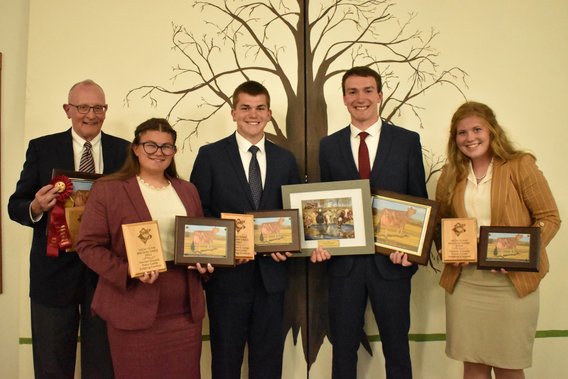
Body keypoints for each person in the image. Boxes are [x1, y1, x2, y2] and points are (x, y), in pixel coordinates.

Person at [311, 66, 428, 379]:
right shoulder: (329, 146)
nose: (359, 98)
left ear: (379, 95)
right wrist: (318, 243)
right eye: (352, 92)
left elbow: (418, 199)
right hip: (343, 267)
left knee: (397, 350)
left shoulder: (406, 141)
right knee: (343, 350)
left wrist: (411, 255)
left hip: (391, 264)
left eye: (366, 90)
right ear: (344, 98)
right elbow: (325, 205)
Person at [8, 79, 129, 378]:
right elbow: (16, 205)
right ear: (68, 110)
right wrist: (36, 207)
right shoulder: (42, 148)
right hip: (53, 274)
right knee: (52, 365)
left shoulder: (124, 151)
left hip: (104, 275)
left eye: (98, 107)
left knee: (103, 366)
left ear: (106, 110)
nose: (91, 115)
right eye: (83, 107)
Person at [76, 118, 213, 379]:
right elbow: (88, 246)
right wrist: (128, 271)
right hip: (133, 309)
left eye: (166, 147)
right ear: (136, 148)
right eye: (150, 145)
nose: (158, 153)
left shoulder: (187, 190)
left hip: (185, 312)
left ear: (173, 152)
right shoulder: (109, 189)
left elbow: (198, 241)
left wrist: (205, 264)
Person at [436, 102, 560, 379]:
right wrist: (444, 246)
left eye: (477, 129)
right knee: (473, 366)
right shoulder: (450, 174)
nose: (470, 138)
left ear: (492, 131)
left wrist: (520, 254)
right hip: (465, 283)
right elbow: (440, 223)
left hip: (512, 285)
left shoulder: (520, 165)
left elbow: (549, 217)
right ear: (455, 139)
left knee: (509, 365)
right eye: (462, 132)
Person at [190, 80, 301, 379]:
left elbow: (294, 215)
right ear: (233, 112)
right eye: (246, 108)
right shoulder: (210, 156)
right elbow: (198, 212)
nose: (253, 114)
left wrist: (288, 244)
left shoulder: (285, 159)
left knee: (268, 364)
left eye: (260, 108)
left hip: (271, 280)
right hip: (227, 281)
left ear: (269, 113)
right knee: (226, 362)